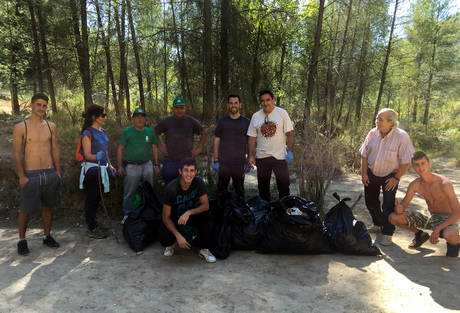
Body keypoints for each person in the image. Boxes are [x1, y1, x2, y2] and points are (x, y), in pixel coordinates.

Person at [12, 93, 61, 255]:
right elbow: (17, 154)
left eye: (44, 105)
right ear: (31, 106)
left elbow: (54, 149)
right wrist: (21, 176)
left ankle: (47, 236)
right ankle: (22, 240)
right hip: (30, 174)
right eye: (38, 105)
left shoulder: (50, 126)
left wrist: (58, 171)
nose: (41, 108)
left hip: (49, 172)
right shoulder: (21, 127)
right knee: (25, 209)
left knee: (48, 207)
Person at [359, 108, 414, 246]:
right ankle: (378, 224)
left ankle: (387, 233)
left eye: (381, 119)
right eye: (377, 118)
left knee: (388, 204)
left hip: (391, 176)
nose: (377, 121)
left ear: (391, 122)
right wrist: (364, 173)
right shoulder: (372, 133)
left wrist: (396, 178)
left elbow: (406, 161)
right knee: (370, 201)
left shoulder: (402, 137)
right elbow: (364, 154)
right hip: (371, 172)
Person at [388, 152, 460, 257]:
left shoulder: (444, 183)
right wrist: (399, 208)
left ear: (429, 164)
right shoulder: (415, 184)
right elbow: (403, 207)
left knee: (450, 235)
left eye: (423, 163)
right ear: (413, 167)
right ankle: (420, 235)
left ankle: (455, 244)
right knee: (393, 217)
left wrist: (438, 229)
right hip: (431, 217)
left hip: (447, 220)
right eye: (417, 164)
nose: (420, 167)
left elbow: (458, 213)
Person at [160, 157, 216, 263]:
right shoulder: (171, 188)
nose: (188, 174)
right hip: (175, 218)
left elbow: (206, 205)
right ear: (180, 171)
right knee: (164, 236)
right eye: (185, 170)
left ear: (195, 172)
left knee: (207, 215)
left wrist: (189, 212)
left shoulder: (199, 183)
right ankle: (171, 244)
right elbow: (165, 217)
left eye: (191, 171)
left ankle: (203, 248)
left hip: (188, 217)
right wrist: (177, 235)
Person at [247, 89, 295, 202]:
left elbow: (290, 134)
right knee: (263, 190)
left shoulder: (282, 113)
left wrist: (290, 152)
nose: (265, 103)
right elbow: (252, 138)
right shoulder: (256, 116)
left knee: (284, 188)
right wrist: (250, 155)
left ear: (273, 100)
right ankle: (265, 213)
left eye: (268, 100)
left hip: (280, 157)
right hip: (262, 158)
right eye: (262, 101)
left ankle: (284, 213)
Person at [79, 105, 117, 239]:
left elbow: (105, 151)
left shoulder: (102, 131)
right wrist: (97, 157)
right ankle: (91, 228)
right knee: (92, 199)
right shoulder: (87, 134)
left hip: (102, 169)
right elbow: (87, 154)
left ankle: (94, 223)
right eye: (103, 115)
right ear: (94, 117)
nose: (105, 118)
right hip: (92, 171)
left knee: (97, 199)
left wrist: (110, 165)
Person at [117, 108, 160, 216]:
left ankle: (148, 213)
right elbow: (120, 149)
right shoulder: (127, 132)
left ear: (145, 119)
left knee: (149, 190)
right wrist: (120, 166)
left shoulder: (149, 132)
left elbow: (154, 148)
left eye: (142, 117)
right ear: (133, 119)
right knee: (130, 192)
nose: (140, 119)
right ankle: (127, 215)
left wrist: (156, 164)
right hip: (132, 165)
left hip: (147, 164)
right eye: (137, 117)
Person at [155, 97, 207, 184]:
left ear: (185, 109)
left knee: (190, 185)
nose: (179, 110)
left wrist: (199, 149)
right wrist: (161, 147)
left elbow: (204, 132)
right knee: (170, 185)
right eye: (177, 108)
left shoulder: (191, 121)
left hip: (188, 159)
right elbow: (155, 132)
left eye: (182, 108)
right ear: (173, 109)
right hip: (170, 159)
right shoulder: (166, 121)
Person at [213, 94, 250, 198]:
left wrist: (249, 160)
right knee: (221, 192)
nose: (233, 105)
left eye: (236, 103)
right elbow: (216, 140)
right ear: (228, 105)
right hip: (223, 164)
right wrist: (216, 161)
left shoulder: (246, 122)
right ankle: (221, 212)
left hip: (239, 164)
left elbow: (250, 142)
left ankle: (240, 213)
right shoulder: (222, 121)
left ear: (240, 105)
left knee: (239, 192)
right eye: (231, 103)